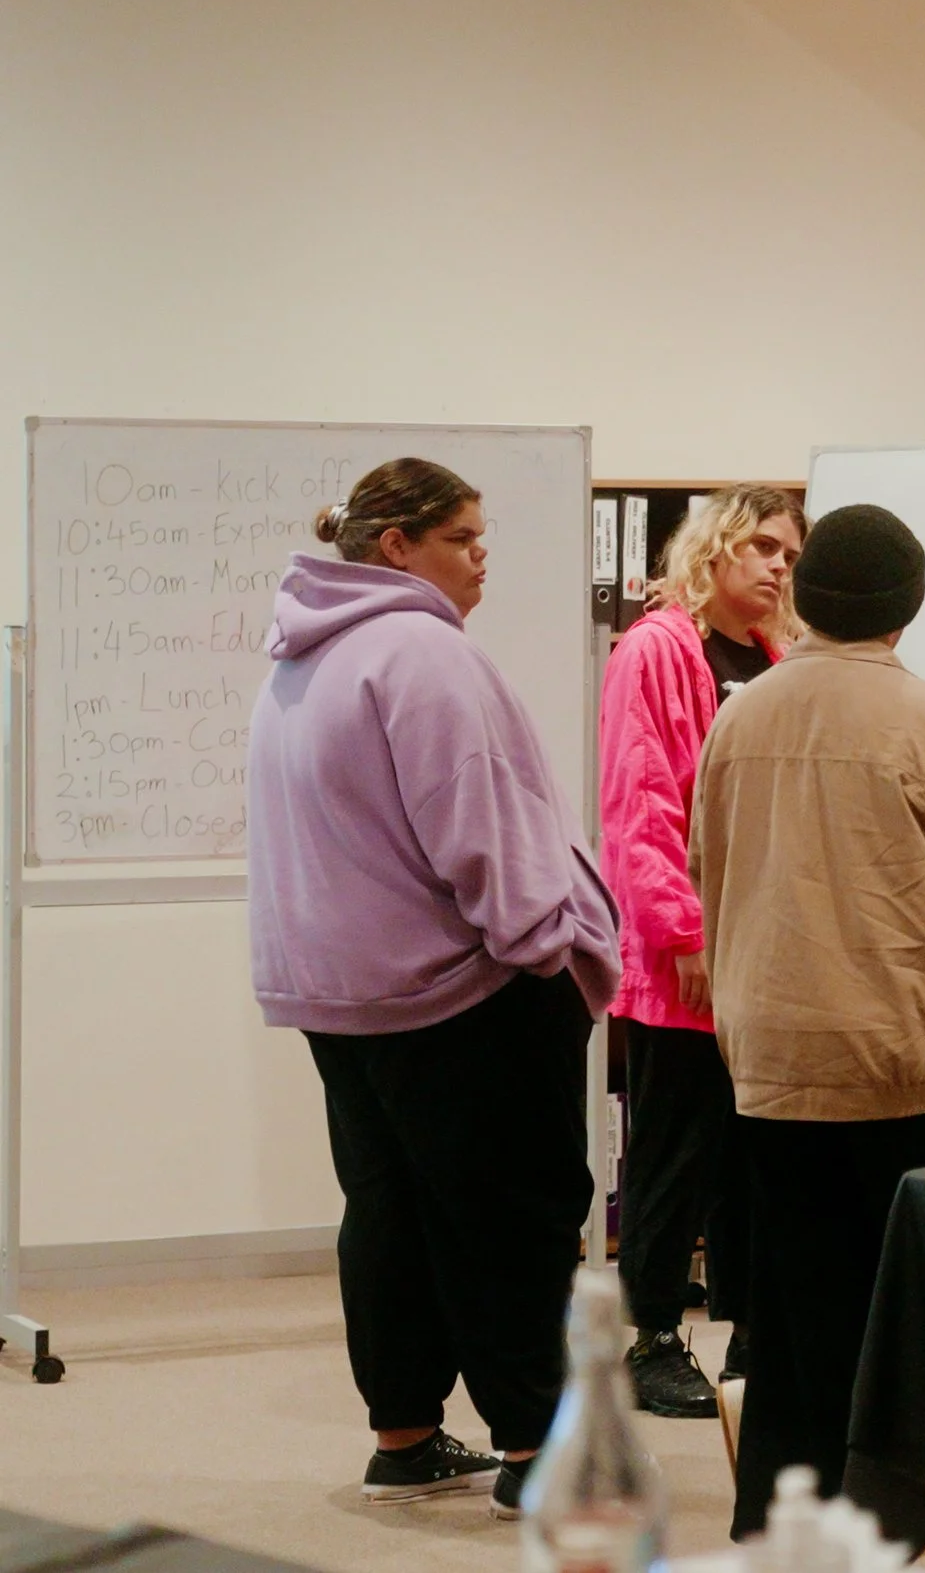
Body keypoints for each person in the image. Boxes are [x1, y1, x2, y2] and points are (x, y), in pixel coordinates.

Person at [247, 459, 619, 1519]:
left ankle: (404, 1437)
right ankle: (538, 1451)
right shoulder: (421, 651)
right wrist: (547, 947)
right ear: (395, 546)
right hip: (459, 989)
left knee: (391, 1211)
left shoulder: (299, 655)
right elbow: (481, 825)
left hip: (342, 995)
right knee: (511, 1221)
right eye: (460, 536)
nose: (481, 555)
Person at [691, 503, 925, 1538]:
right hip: (911, 1070)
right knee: (914, 1321)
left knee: (795, 1318)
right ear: (908, 605)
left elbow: (709, 871)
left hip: (773, 1068)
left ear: (805, 594)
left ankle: (778, 1518)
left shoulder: (739, 717)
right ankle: (887, 1514)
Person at [600, 484, 807, 1419]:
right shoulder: (655, 648)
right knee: (674, 1152)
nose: (777, 566)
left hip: (766, 948)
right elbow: (640, 801)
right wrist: (681, 930)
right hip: (684, 949)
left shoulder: (779, 659)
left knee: (758, 1151)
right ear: (715, 547)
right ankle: (650, 1338)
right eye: (762, 546)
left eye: (789, 555)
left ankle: (755, 1327)